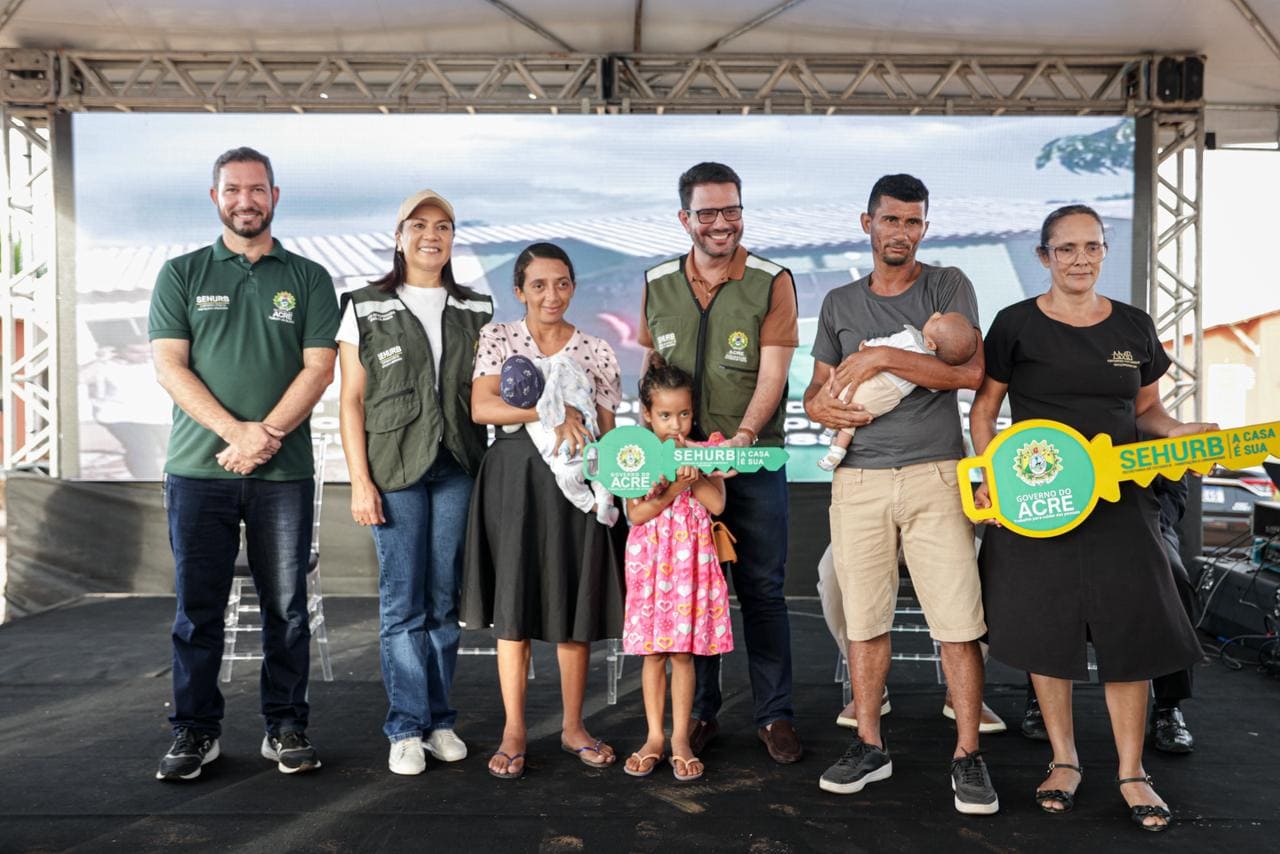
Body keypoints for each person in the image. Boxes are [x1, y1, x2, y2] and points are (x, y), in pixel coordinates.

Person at [970, 204, 1213, 832]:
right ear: (1044, 256)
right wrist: (992, 476)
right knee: (1047, 631)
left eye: (1092, 246)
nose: (1080, 259)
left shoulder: (1134, 325)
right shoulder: (1015, 324)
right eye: (1066, 248)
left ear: (1105, 251)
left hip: (1121, 501)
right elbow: (984, 411)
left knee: (1130, 631)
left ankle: (1132, 772)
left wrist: (1179, 432)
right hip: (1039, 499)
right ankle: (1064, 760)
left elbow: (1148, 412)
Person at [803, 174, 997, 814]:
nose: (902, 232)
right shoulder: (838, 302)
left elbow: (970, 370)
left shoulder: (946, 285)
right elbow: (814, 392)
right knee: (863, 621)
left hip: (935, 474)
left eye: (913, 222)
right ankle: (869, 744)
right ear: (868, 224)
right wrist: (820, 407)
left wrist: (883, 359)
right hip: (857, 478)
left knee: (958, 624)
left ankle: (968, 753)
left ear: (924, 228)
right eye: (891, 220)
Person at [149, 146, 338, 781]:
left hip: (282, 475)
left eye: (257, 189)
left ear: (274, 196)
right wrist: (236, 433)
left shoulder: (309, 277)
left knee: (286, 608)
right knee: (197, 611)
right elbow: (169, 366)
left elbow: (319, 368)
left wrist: (267, 435)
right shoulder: (181, 273)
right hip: (197, 470)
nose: (245, 200)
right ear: (215, 198)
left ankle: (285, 726)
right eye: (233, 189)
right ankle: (195, 732)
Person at [639, 161, 802, 764]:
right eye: (707, 212)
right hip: (680, 474)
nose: (721, 222)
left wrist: (742, 439)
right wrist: (656, 451)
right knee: (692, 592)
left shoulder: (771, 280)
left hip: (749, 466)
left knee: (762, 590)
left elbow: (774, 374)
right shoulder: (657, 282)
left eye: (731, 209)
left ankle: (775, 715)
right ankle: (699, 713)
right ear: (685, 218)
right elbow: (652, 374)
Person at [337, 189, 492, 776]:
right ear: (399, 236)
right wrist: (360, 482)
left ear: (453, 238)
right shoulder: (364, 306)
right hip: (394, 470)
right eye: (420, 225)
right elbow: (351, 401)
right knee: (403, 602)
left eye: (443, 226)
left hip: (458, 468)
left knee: (444, 600)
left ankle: (439, 721)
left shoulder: (478, 308)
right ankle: (405, 727)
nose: (432, 235)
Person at [462, 242, 628, 781]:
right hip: (514, 482)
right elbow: (482, 407)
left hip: (576, 484)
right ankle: (514, 731)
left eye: (561, 283)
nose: (551, 294)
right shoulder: (498, 337)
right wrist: (550, 412)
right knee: (513, 604)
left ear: (573, 286)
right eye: (538, 285)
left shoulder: (596, 349)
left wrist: (614, 482)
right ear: (519, 291)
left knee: (571, 605)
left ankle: (574, 726)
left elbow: (604, 428)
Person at [620, 361, 732, 783]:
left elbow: (717, 504)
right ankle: (654, 737)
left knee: (683, 653)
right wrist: (675, 486)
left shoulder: (706, 450)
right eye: (665, 415)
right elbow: (637, 513)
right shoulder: (635, 456)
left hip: (690, 562)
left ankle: (681, 739)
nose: (676, 424)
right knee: (653, 653)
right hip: (650, 561)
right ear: (647, 414)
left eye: (683, 413)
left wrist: (694, 472)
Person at [818, 311, 977, 471]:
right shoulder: (934, 363)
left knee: (850, 405)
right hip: (893, 396)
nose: (936, 314)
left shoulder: (910, 338)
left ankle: (836, 449)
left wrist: (868, 347)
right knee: (853, 409)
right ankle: (835, 442)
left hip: (878, 382)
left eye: (938, 320)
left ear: (931, 345)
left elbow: (886, 345)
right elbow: (935, 383)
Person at [497, 353, 619, 527]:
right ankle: (606, 502)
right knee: (599, 475)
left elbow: (509, 427)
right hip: (588, 447)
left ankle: (594, 507)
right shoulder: (556, 386)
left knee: (574, 489)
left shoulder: (523, 410)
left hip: (566, 464)